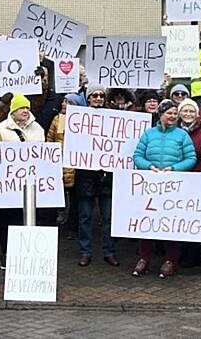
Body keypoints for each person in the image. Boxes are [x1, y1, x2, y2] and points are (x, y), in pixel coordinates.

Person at [131, 99, 197, 278]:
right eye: (169, 113)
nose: (173, 116)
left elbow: (191, 158)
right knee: (147, 222)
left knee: (171, 223)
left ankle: (170, 261)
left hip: (173, 186)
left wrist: (174, 168)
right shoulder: (148, 134)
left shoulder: (182, 135)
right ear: (161, 114)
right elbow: (137, 155)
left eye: (175, 114)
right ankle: (144, 258)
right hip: (151, 185)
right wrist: (148, 166)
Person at [0, 93, 45, 269]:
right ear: (13, 111)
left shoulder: (38, 129)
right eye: (21, 108)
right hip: (9, 186)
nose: (25, 111)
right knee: (8, 219)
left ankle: (27, 255)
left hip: (32, 185)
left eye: (27, 108)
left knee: (29, 219)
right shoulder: (1, 130)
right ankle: (6, 254)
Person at [75, 83, 120, 268]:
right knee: (85, 217)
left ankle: (109, 251)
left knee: (108, 217)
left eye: (101, 95)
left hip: (106, 177)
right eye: (95, 95)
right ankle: (85, 252)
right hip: (85, 176)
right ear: (88, 98)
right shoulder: (78, 119)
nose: (98, 99)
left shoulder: (115, 118)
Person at [176, 98, 201, 268]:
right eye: (185, 111)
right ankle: (178, 254)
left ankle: (193, 255)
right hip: (177, 178)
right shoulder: (174, 129)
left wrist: (193, 173)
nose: (188, 114)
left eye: (192, 111)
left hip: (196, 178)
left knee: (192, 217)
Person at [48, 93, 86, 240]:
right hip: (59, 164)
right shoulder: (57, 119)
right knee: (57, 196)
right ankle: (57, 220)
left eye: (68, 102)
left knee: (75, 200)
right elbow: (50, 139)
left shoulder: (84, 121)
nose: (64, 104)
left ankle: (73, 228)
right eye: (63, 101)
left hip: (76, 166)